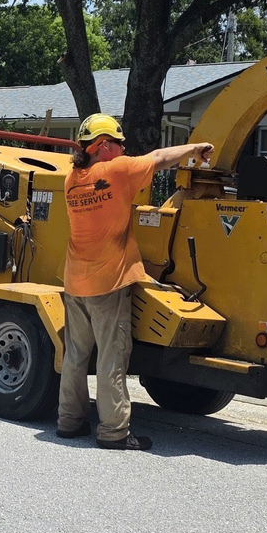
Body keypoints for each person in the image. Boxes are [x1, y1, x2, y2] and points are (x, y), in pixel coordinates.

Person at [57, 113, 214, 450]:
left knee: (76, 355)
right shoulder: (116, 170)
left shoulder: (71, 179)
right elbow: (158, 157)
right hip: (107, 284)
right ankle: (114, 432)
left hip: (75, 282)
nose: (124, 149)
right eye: (119, 143)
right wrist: (194, 149)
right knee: (111, 358)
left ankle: (69, 422)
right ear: (103, 145)